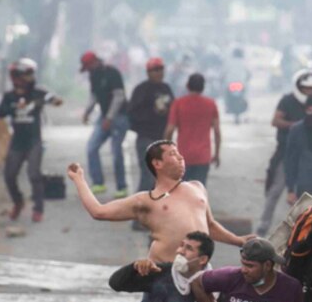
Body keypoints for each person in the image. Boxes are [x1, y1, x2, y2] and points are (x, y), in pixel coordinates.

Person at [66, 140, 251, 302]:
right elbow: (99, 211)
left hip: (201, 276)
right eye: (173, 155)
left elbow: (210, 227)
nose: (181, 158)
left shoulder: (197, 188)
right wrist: (79, 179)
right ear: (157, 163)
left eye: (180, 153)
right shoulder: (146, 201)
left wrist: (238, 240)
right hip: (164, 280)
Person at [256, 69, 312, 236]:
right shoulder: (288, 103)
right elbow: (275, 120)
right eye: (306, 88)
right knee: (276, 189)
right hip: (287, 152)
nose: (309, 92)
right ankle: (264, 224)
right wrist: (297, 128)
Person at [0, 58, 62, 222]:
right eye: (26, 75)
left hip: (34, 141)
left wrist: (50, 100)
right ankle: (18, 202)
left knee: (34, 174)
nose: (30, 78)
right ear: (16, 76)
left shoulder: (38, 92)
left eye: (31, 74)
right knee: (9, 176)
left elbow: (55, 99)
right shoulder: (9, 96)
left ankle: (38, 208)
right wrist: (13, 107)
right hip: (17, 142)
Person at [79, 51, 129, 199]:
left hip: (119, 116)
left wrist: (109, 117)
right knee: (91, 147)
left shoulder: (112, 73)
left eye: (88, 67)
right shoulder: (93, 76)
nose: (88, 70)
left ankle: (122, 186)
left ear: (94, 62)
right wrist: (87, 112)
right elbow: (94, 96)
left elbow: (119, 96)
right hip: (104, 116)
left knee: (116, 151)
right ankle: (98, 182)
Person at [128, 57, 174, 194]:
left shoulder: (166, 88)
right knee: (148, 175)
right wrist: (149, 116)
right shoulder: (141, 90)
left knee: (161, 177)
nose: (158, 73)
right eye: (155, 70)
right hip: (146, 138)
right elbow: (131, 114)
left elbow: (173, 111)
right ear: (148, 72)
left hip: (162, 139)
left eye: (160, 69)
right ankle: (139, 207)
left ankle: (153, 209)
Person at [164, 73, 220, 185]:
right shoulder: (210, 104)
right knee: (198, 191)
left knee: (180, 191)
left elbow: (169, 131)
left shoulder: (178, 103)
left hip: (183, 156)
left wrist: (167, 153)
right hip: (203, 156)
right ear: (203, 87)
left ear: (187, 86)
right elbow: (217, 132)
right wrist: (217, 154)